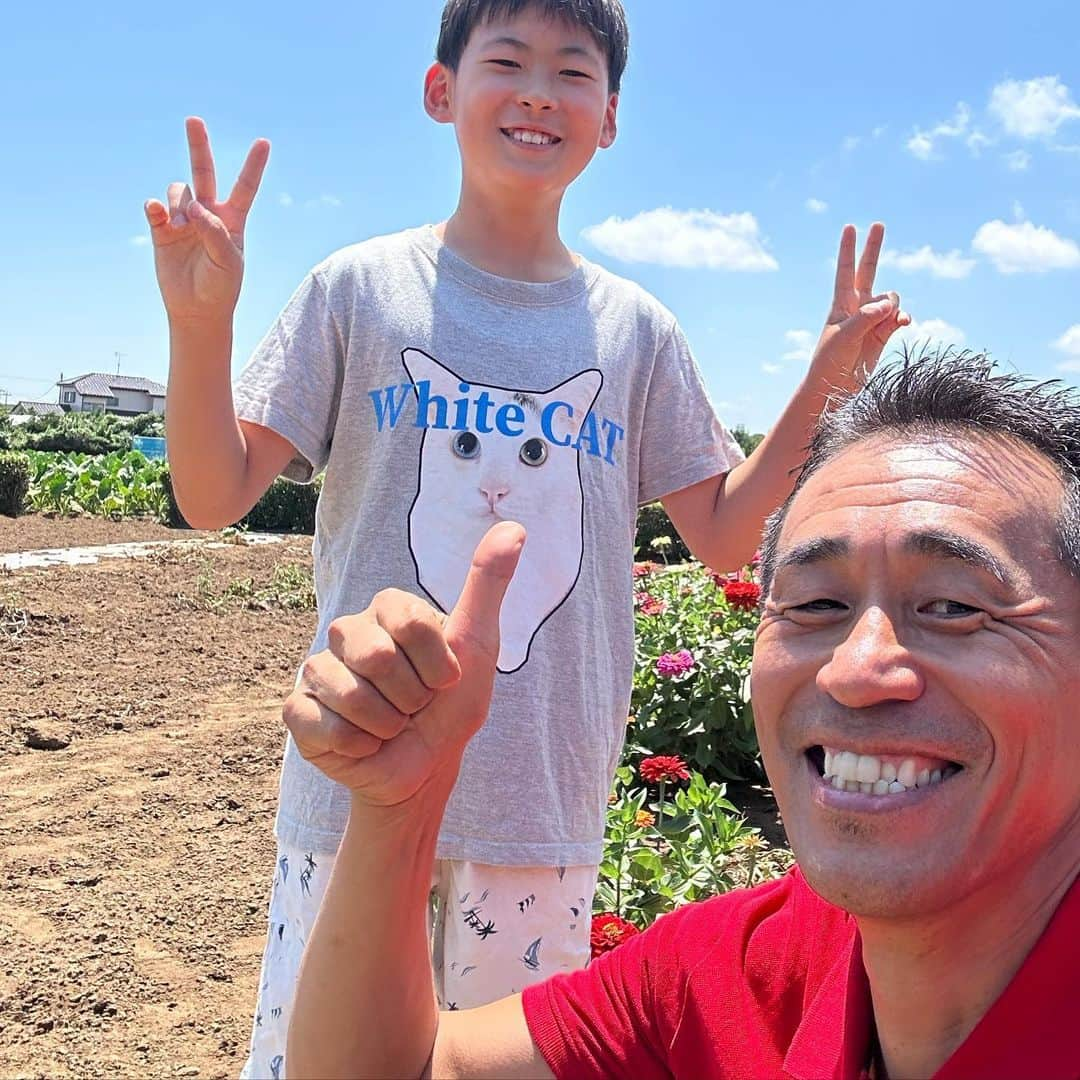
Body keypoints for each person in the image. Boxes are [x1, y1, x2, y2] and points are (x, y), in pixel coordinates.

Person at [142, 0, 908, 1073]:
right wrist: (199, 323)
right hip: (358, 779)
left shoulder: (636, 334)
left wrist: (825, 385)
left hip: (540, 799)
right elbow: (215, 492)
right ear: (440, 91)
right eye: (507, 59)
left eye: (574, 69)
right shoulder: (358, 291)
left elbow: (727, 537)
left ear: (610, 119)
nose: (540, 89)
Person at [284, 350, 1080, 1080]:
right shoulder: (732, 974)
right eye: (816, 604)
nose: (856, 669)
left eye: (952, 605)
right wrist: (402, 808)